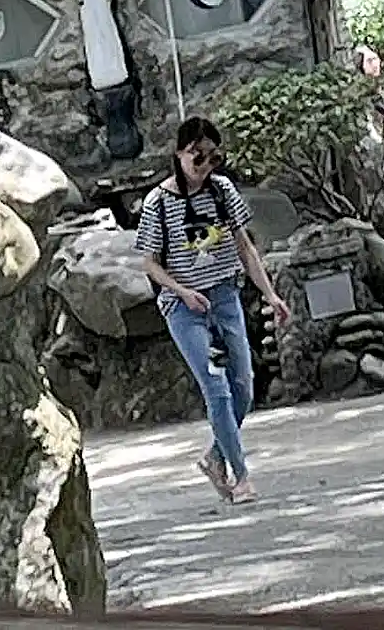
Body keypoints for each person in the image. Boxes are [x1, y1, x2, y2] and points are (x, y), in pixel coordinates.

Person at [138, 117, 291, 505]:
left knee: (244, 386)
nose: (204, 165)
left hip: (224, 295)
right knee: (216, 388)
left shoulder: (222, 192)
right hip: (183, 306)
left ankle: (215, 456)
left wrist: (270, 295)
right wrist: (182, 291)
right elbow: (150, 263)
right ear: (179, 154)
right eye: (196, 156)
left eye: (212, 157)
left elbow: (245, 248)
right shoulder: (158, 202)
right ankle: (240, 476)